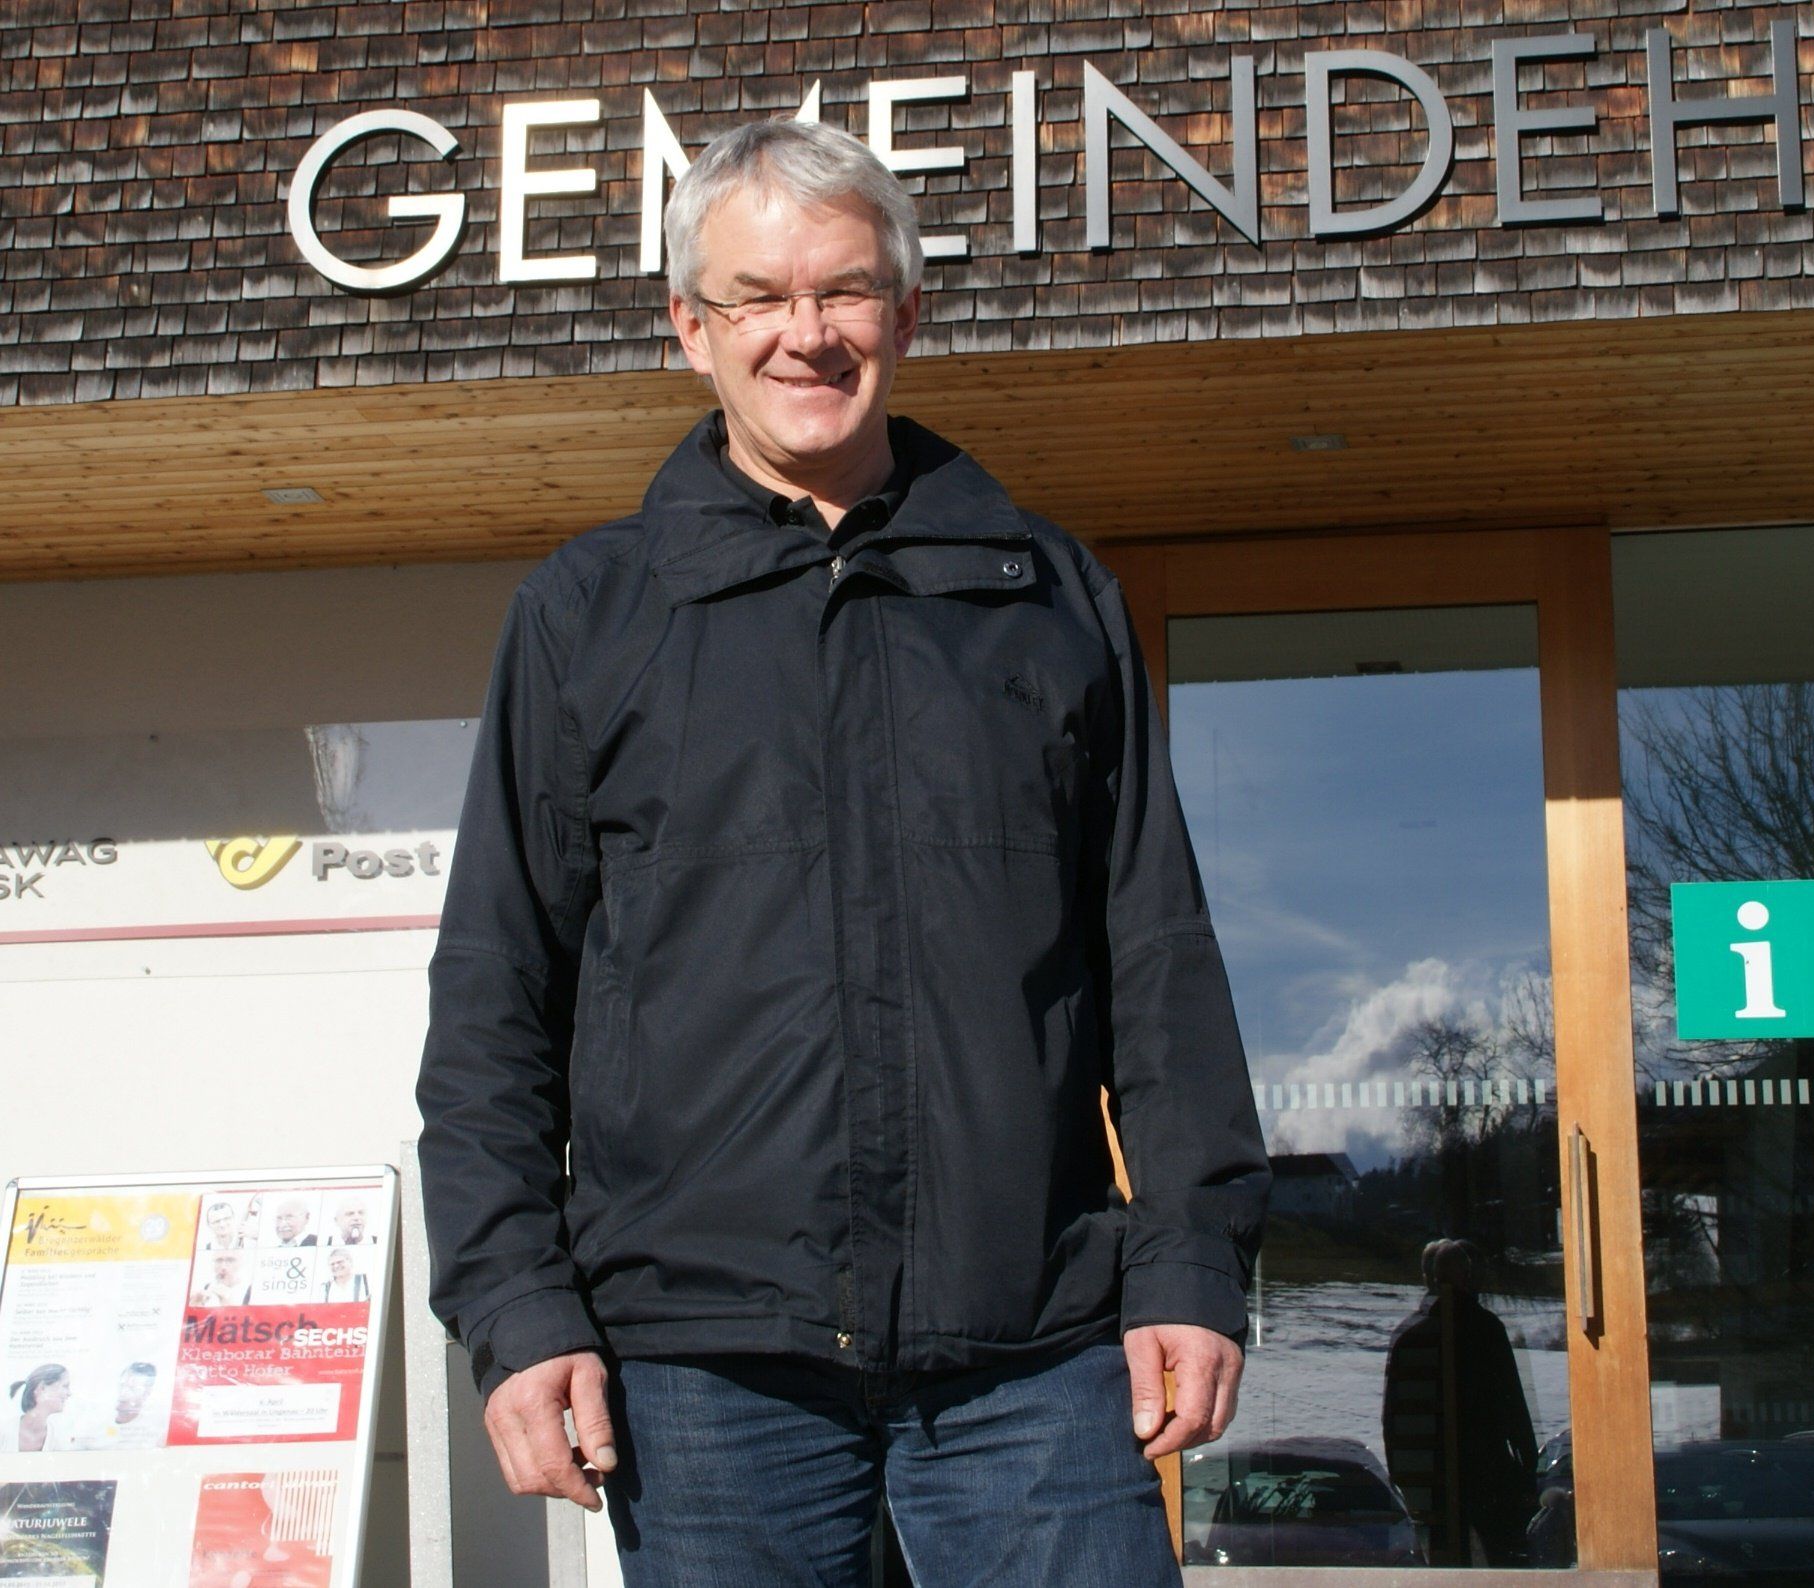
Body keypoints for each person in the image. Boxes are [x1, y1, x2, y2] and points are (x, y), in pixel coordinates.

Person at [416, 116, 1268, 1588]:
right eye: (755, 296)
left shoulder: (1048, 599)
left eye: (843, 290)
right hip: (705, 1362)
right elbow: (497, 997)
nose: (803, 334)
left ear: (906, 314)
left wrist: (1190, 1260)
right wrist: (515, 1305)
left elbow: (1158, 965)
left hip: (1034, 1351)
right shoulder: (589, 616)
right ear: (690, 327)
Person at [1380, 1239, 1540, 1566]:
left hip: (1432, 1476)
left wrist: (1406, 1477)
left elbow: (1393, 1418)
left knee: (1446, 1565)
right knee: (1503, 1563)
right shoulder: (1486, 1329)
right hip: (1487, 1472)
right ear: (1467, 1277)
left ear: (1428, 1279)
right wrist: (1526, 1467)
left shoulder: (1410, 1335)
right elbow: (1512, 1405)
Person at [57, 1362, 159, 1451]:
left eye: (132, 1389)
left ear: (147, 1393)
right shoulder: (96, 1418)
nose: (123, 1394)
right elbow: (71, 1445)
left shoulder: (152, 1430)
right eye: (122, 1386)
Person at [10, 1363, 69, 1452]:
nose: (69, 1393)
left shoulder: (58, 1439)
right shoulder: (3, 1430)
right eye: (65, 1386)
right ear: (42, 1388)